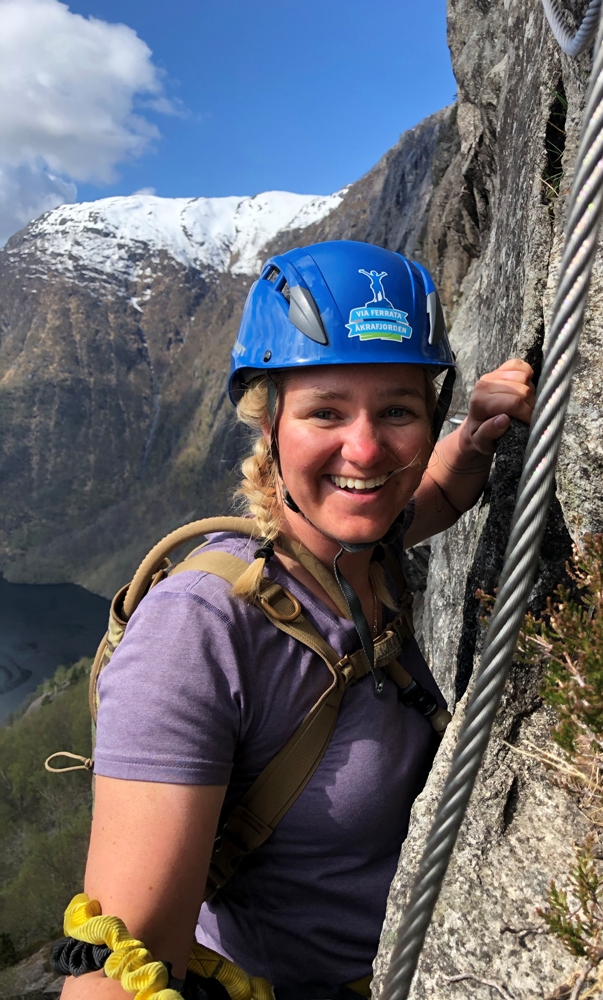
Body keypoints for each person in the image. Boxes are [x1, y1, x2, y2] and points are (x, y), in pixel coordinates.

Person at [61, 241, 534, 1000]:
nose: (367, 449)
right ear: (270, 425)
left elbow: (429, 495)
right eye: (325, 412)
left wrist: (476, 437)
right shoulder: (198, 631)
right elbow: (118, 969)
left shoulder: (357, 549)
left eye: (399, 410)